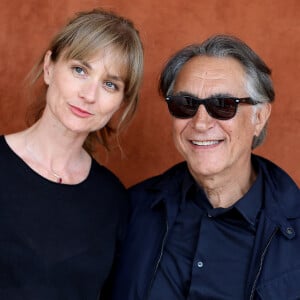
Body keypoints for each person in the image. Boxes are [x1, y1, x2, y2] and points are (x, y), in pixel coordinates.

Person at [110, 34, 300, 299]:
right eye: (185, 104)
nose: (200, 123)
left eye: (223, 106)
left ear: (259, 116)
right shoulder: (131, 210)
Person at [0, 8, 143, 300]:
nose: (89, 95)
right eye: (80, 69)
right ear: (49, 67)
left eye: (109, 84)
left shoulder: (114, 201)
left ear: (120, 102)